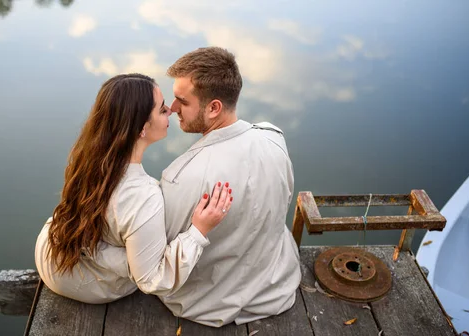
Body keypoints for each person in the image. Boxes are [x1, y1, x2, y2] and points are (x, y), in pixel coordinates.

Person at [34, 73, 233, 304]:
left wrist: (102, 249)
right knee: (146, 261)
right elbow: (152, 280)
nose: (170, 110)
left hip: (48, 251)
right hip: (80, 282)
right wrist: (198, 232)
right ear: (141, 128)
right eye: (161, 109)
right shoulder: (143, 196)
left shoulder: (90, 157)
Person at [158, 47, 301, 327]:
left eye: (181, 101)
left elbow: (165, 255)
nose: (172, 108)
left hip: (205, 305)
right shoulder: (275, 139)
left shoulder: (181, 176)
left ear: (213, 108)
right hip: (277, 290)